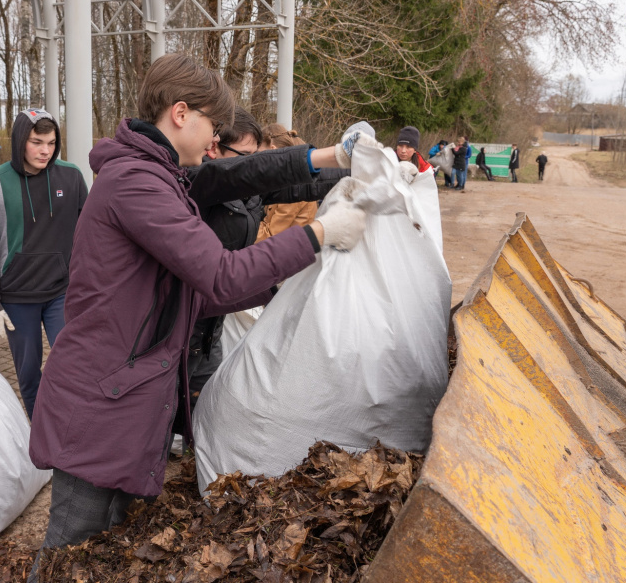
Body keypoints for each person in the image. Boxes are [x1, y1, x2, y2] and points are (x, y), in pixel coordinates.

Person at [25, 53, 368, 580]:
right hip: (99, 404)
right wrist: (317, 237)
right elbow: (220, 275)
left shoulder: (159, 175)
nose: (215, 139)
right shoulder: (137, 184)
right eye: (212, 124)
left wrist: (324, 159)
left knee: (102, 552)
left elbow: (236, 179)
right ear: (181, 113)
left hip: (125, 400)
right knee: (69, 554)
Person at [183, 110, 347, 422]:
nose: (252, 165)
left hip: (209, 329)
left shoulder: (247, 194)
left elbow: (300, 185)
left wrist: (353, 172)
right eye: (244, 157)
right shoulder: (196, 185)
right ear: (212, 148)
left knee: (208, 417)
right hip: (183, 330)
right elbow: (222, 272)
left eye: (255, 156)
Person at [0, 108, 87, 419]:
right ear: (20, 141)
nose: (45, 151)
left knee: (73, 364)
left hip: (61, 291)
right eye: (37, 142)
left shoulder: (72, 177)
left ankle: (72, 425)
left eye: (51, 143)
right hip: (15, 297)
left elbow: (91, 236)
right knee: (28, 372)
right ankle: (40, 432)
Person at [255, 125, 322, 241]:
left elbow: (269, 235)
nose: (254, 162)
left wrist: (239, 226)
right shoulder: (283, 182)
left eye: (258, 154)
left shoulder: (293, 187)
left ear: (272, 150)